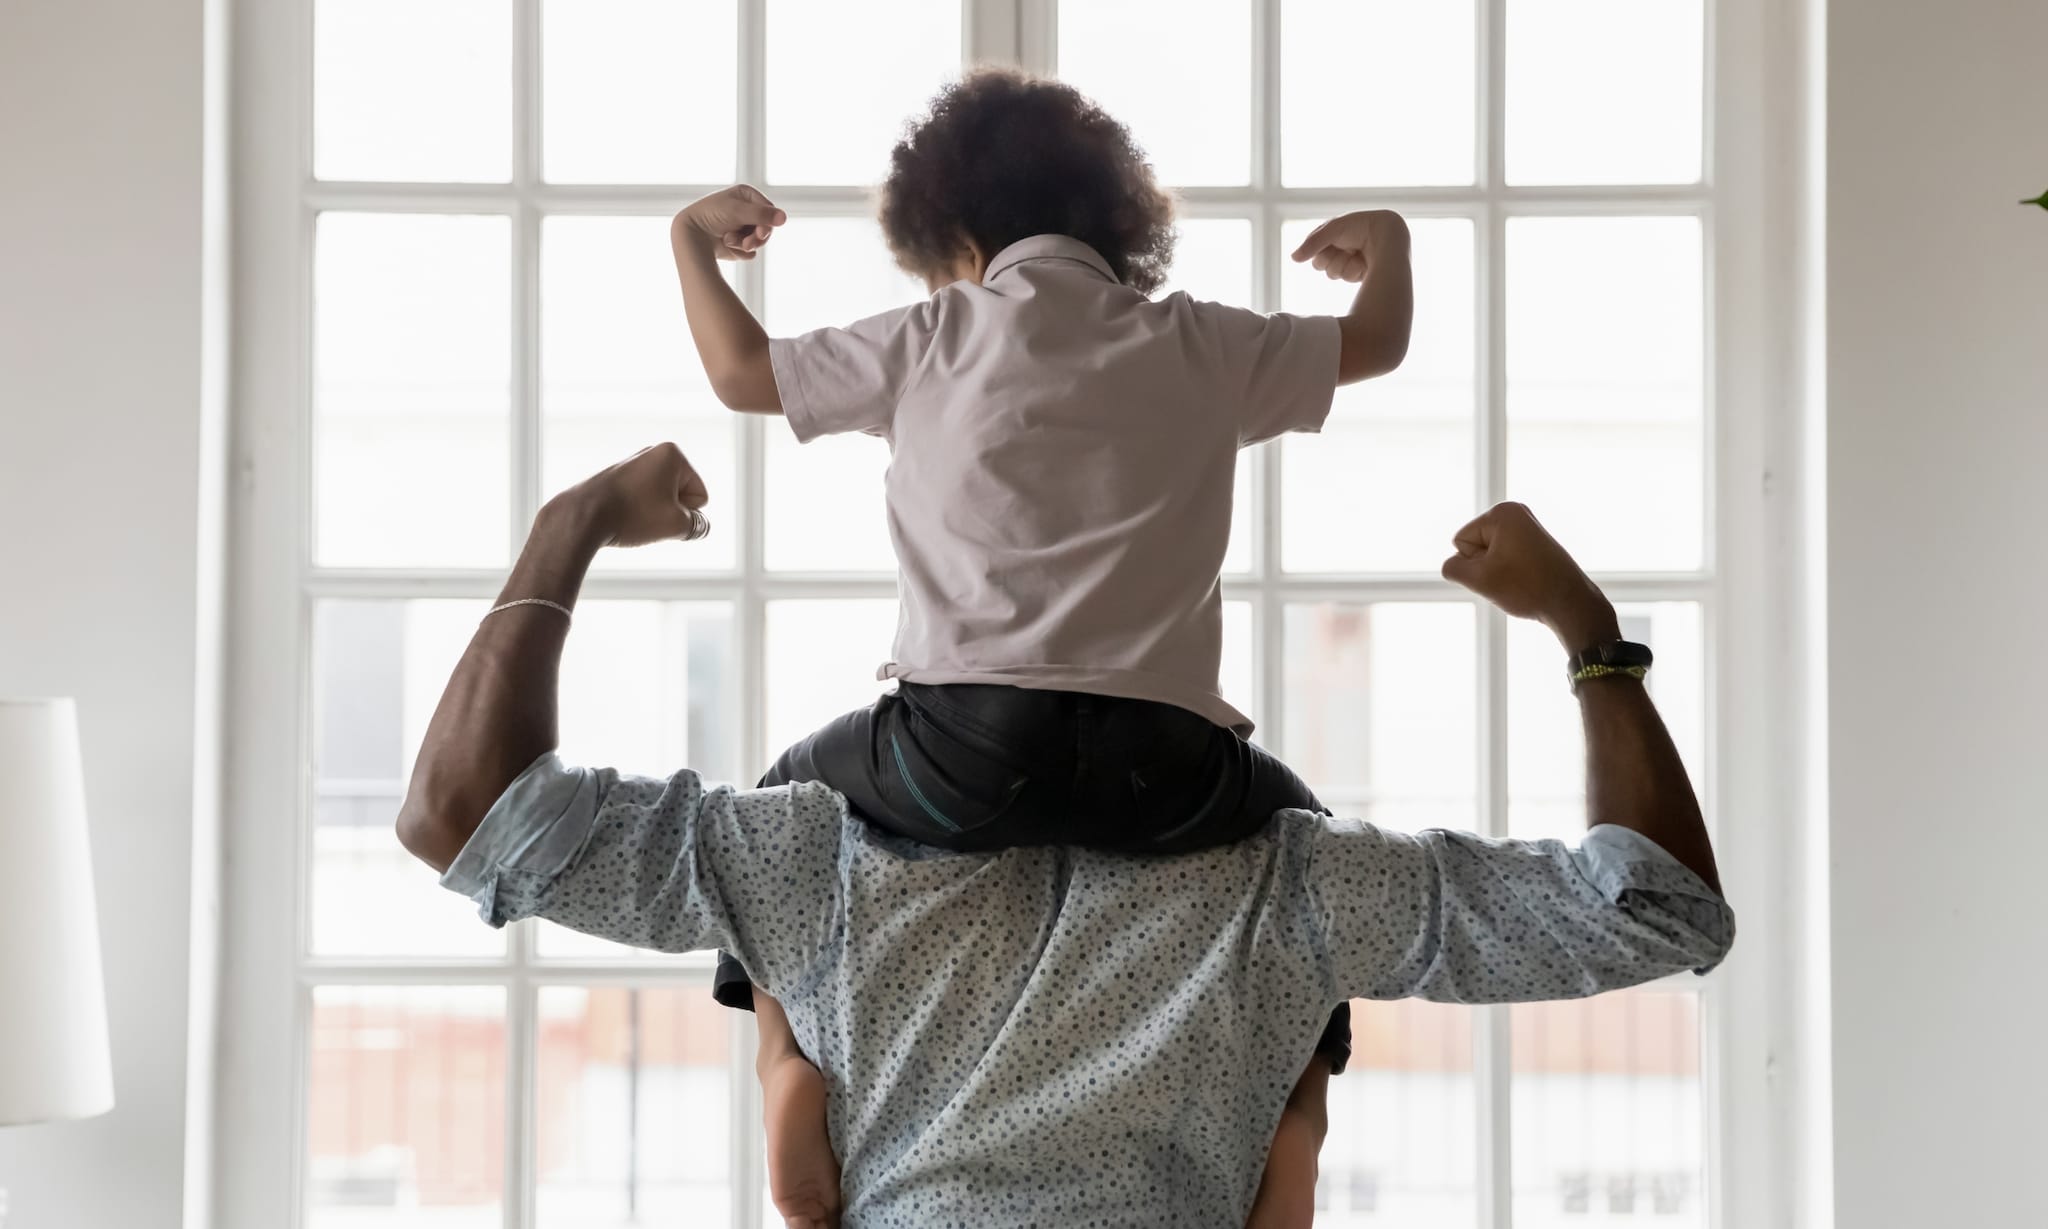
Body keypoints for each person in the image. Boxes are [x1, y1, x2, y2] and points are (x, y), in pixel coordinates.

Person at [395, 444, 1734, 1229]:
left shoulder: (812, 858)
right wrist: (1588, 637)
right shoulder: (1291, 881)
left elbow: (460, 810)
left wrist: (573, 527)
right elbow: (1659, 910)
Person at [668, 68, 1415, 1220]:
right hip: (1169, 771)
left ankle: (787, 1059)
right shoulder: (1197, 341)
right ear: (1120, 221)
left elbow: (736, 372)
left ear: (951, 231)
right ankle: (1292, 1116)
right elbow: (1374, 344)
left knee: (778, 806)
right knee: (1300, 850)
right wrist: (1388, 244)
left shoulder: (932, 333)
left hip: (953, 754)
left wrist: (690, 244)